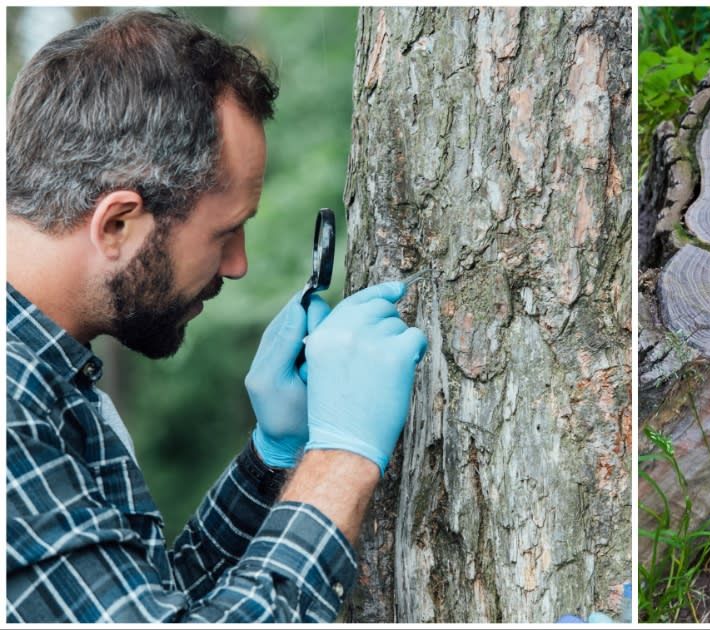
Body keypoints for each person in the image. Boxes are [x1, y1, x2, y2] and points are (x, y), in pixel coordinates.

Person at [6, 10, 427, 622]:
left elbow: (146, 603)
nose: (238, 266)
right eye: (225, 233)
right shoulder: (12, 405)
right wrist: (341, 458)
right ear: (118, 223)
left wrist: (272, 460)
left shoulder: (48, 374)